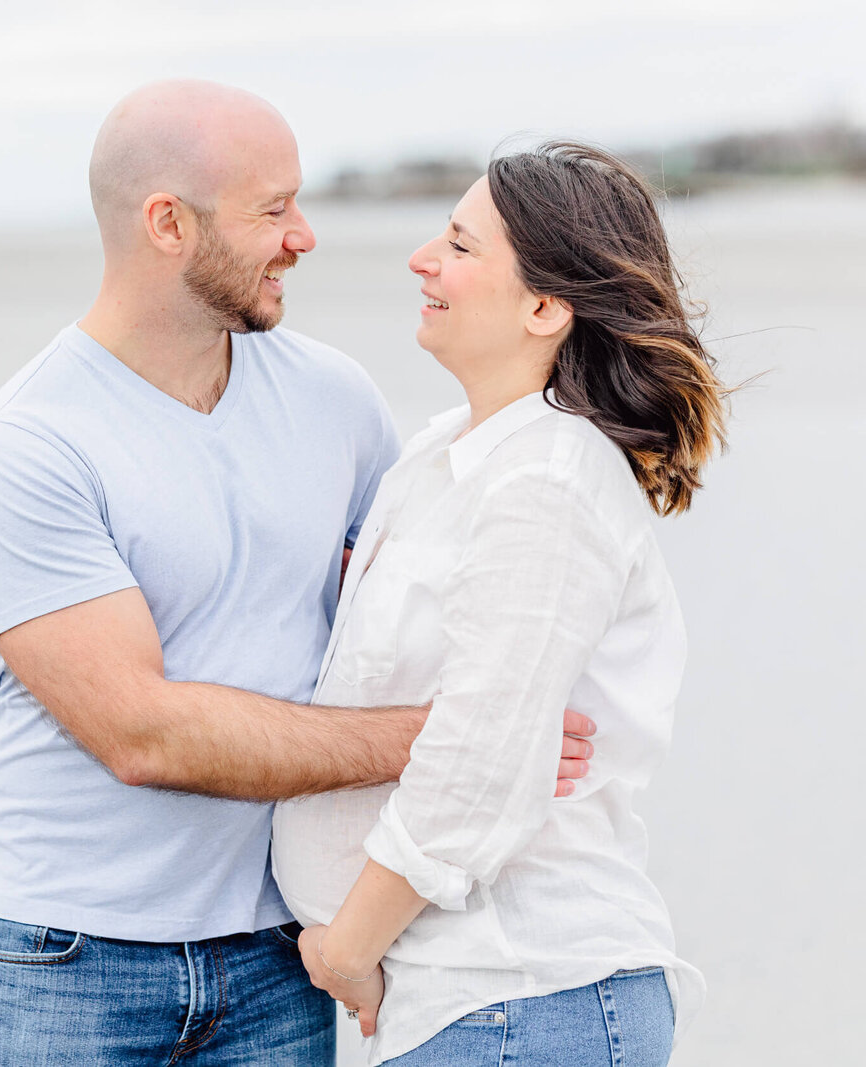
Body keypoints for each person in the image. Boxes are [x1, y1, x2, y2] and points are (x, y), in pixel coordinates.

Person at [0, 82, 595, 1065]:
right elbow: (141, 733)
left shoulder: (334, 398)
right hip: (64, 952)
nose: (305, 235)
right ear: (167, 224)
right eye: (272, 209)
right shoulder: (30, 446)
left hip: (280, 947)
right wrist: (458, 742)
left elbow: (413, 619)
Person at [272, 142, 723, 1066]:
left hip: (520, 993)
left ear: (546, 308)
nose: (422, 259)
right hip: (472, 1006)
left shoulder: (547, 480)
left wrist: (348, 947)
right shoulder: (445, 455)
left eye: (461, 246)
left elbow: (482, 755)